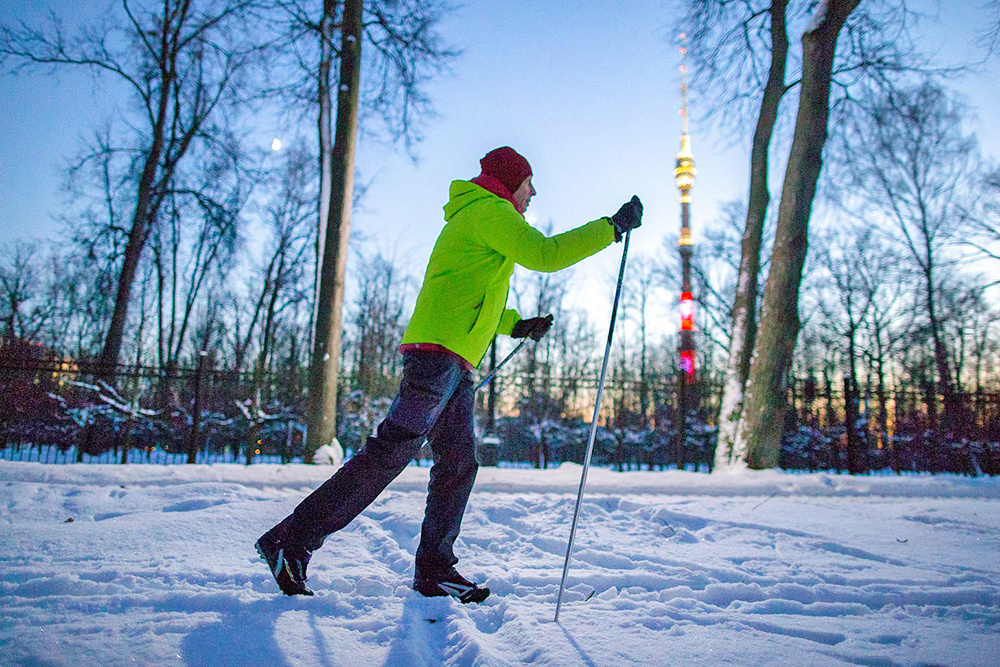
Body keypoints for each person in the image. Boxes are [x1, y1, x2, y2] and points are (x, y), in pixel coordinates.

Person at [256, 146, 643, 603]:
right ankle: (292, 538)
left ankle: (435, 570)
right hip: (437, 358)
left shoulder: (480, 216)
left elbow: (465, 290)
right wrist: (611, 227)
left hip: (452, 361)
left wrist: (514, 324)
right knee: (391, 452)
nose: (533, 191)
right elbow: (545, 254)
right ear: (508, 183)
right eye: (527, 183)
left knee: (458, 464)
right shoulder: (491, 211)